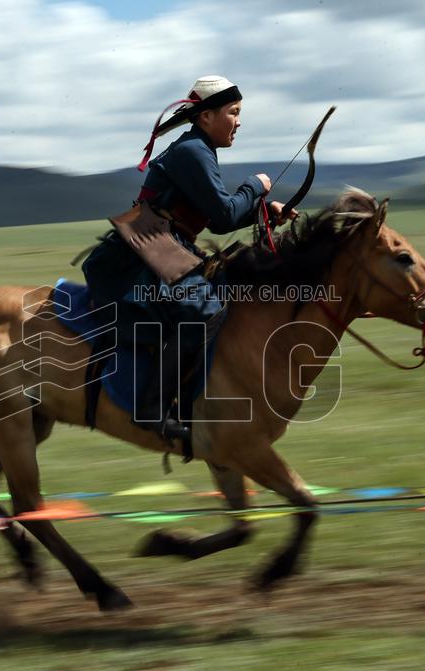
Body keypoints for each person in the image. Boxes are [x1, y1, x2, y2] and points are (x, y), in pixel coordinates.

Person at [81, 75, 293, 445]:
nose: (239, 122)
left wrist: (263, 212)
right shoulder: (194, 151)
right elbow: (225, 216)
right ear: (207, 116)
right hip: (150, 243)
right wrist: (256, 186)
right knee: (205, 311)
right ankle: (153, 407)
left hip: (160, 239)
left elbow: (214, 216)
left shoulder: (197, 149)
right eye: (234, 112)